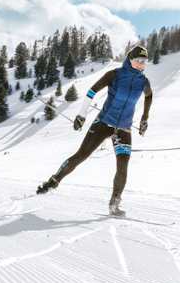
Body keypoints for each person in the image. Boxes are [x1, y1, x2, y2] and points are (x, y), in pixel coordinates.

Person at [36, 45, 153, 216]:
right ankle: (53, 181)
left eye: (144, 61)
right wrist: (81, 115)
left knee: (123, 166)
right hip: (103, 123)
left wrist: (145, 118)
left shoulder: (143, 82)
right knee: (81, 156)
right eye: (138, 60)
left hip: (124, 128)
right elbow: (92, 91)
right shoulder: (115, 75)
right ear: (130, 60)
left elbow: (149, 95)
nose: (142, 64)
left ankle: (114, 203)